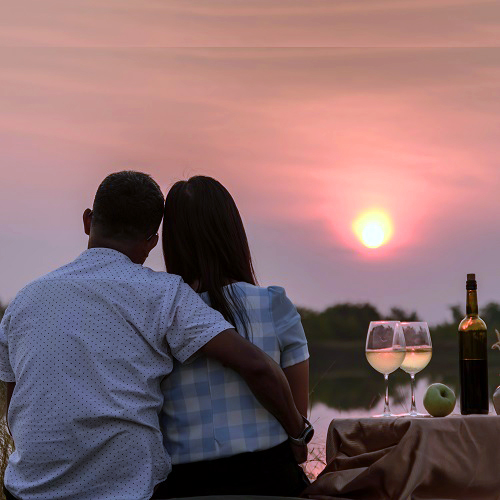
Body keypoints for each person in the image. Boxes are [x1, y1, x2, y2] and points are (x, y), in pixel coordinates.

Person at [0, 171, 306, 500]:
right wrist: (298, 433)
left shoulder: (23, 301)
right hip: (125, 492)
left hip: (27, 491)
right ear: (152, 240)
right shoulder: (162, 293)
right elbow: (253, 364)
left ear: (88, 220)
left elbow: (15, 404)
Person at [155, 176, 312, 498]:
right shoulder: (272, 304)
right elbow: (297, 408)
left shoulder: (157, 312)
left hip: (183, 484)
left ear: (171, 239)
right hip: (269, 478)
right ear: (232, 233)